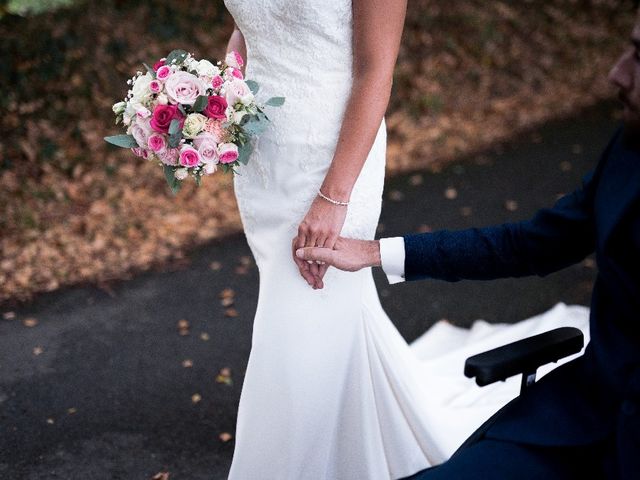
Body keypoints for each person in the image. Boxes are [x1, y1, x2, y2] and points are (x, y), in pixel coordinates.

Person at [297, 7, 640, 478]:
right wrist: (376, 252)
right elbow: (528, 245)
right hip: (575, 421)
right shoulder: (627, 153)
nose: (616, 72)